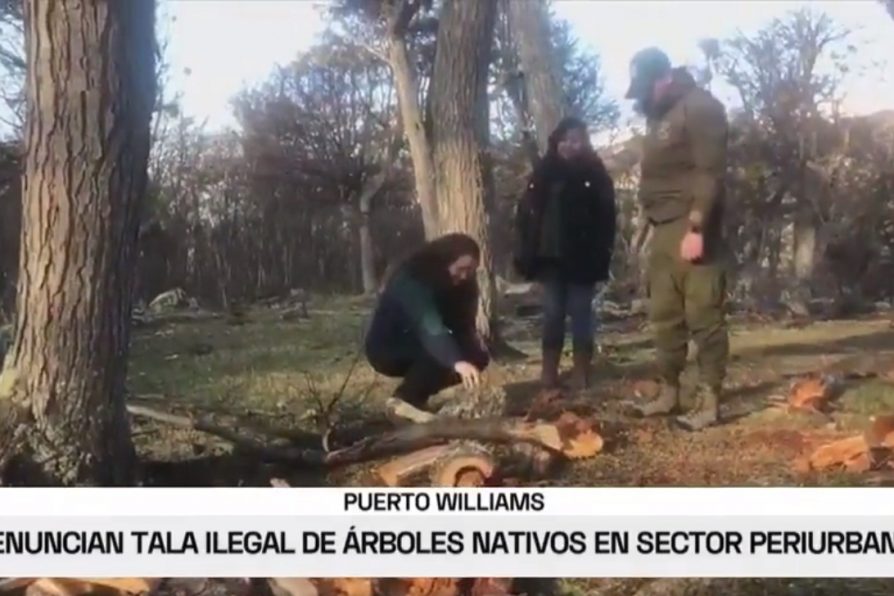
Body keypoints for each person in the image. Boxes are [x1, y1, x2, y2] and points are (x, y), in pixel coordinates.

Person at [624, 47, 730, 431]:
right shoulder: (660, 115)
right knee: (665, 316)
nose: (641, 99)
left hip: (693, 226)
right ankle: (669, 391)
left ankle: (709, 399)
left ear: (664, 79)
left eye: (644, 89)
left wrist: (697, 228)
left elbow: (709, 173)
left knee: (703, 315)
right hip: (663, 227)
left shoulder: (701, 108)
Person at [513, 117, 617, 391]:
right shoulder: (543, 171)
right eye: (566, 140)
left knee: (581, 313)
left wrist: (604, 253)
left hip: (584, 258)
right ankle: (549, 371)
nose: (571, 146)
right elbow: (527, 215)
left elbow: (607, 217)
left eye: (577, 140)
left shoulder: (595, 173)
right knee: (552, 313)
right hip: (550, 258)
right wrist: (526, 252)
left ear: (584, 142)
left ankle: (581, 371)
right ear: (556, 142)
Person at [365, 233, 489, 423]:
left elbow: (463, 326)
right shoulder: (413, 279)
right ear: (445, 261)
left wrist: (470, 353)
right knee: (439, 355)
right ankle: (403, 401)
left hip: (422, 343)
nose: (465, 276)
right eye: (461, 269)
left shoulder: (464, 285)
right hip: (388, 347)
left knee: (477, 356)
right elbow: (430, 328)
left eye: (470, 270)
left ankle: (420, 398)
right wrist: (456, 362)